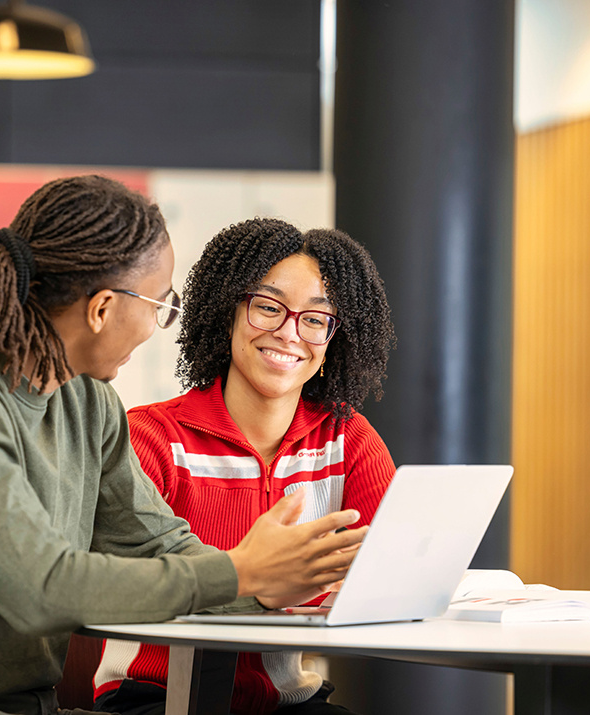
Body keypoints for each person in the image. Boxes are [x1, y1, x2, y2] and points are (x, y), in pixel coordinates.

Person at [0, 177, 368, 715]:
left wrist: (270, 581)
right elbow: (42, 589)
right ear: (103, 309)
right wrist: (242, 573)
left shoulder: (87, 402)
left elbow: (159, 545)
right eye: (159, 305)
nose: (160, 324)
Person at [93, 218, 397, 715]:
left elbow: (387, 576)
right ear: (229, 312)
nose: (289, 333)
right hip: (154, 697)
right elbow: (129, 583)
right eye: (268, 307)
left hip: (286, 701)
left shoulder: (348, 440)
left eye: (315, 319)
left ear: (333, 339)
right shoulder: (150, 436)